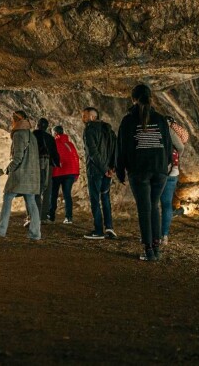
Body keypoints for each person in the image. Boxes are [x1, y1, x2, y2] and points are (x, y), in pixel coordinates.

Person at [116, 84, 173, 262]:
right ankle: (155, 247)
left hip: (139, 170)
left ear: (133, 99)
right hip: (160, 169)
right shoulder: (161, 119)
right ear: (151, 98)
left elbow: (122, 147)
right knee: (154, 206)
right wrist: (166, 165)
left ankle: (148, 249)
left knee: (144, 208)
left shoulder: (128, 120)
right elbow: (168, 146)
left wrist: (120, 170)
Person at [0, 111, 42, 241]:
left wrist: (7, 170)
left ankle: (1, 229)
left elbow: (18, 157)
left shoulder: (18, 135)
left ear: (16, 120)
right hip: (32, 176)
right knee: (31, 202)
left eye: (12, 120)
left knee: (7, 197)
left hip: (20, 175)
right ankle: (35, 233)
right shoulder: (31, 135)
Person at [81, 107, 117, 240]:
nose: (82, 118)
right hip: (107, 171)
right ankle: (109, 228)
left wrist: (104, 169)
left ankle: (98, 230)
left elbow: (93, 152)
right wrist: (111, 168)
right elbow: (115, 149)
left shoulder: (89, 129)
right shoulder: (108, 130)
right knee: (106, 198)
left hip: (96, 171)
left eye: (84, 115)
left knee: (95, 200)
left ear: (91, 117)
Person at [160, 116, 187, 245]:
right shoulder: (170, 129)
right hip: (171, 171)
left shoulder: (154, 128)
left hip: (156, 170)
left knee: (152, 204)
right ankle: (164, 235)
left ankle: (150, 235)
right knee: (166, 205)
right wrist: (175, 159)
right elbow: (180, 147)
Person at [30, 118, 59, 226]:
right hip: (49, 166)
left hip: (35, 165)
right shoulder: (50, 138)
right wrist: (56, 163)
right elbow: (55, 154)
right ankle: (42, 217)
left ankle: (34, 216)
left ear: (37, 125)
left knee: (34, 190)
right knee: (47, 191)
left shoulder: (32, 135)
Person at [51, 125, 80, 224]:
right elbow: (76, 158)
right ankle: (68, 218)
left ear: (55, 133)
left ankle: (51, 216)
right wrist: (76, 173)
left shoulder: (53, 143)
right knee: (67, 195)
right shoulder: (70, 144)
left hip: (57, 172)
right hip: (70, 172)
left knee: (53, 194)